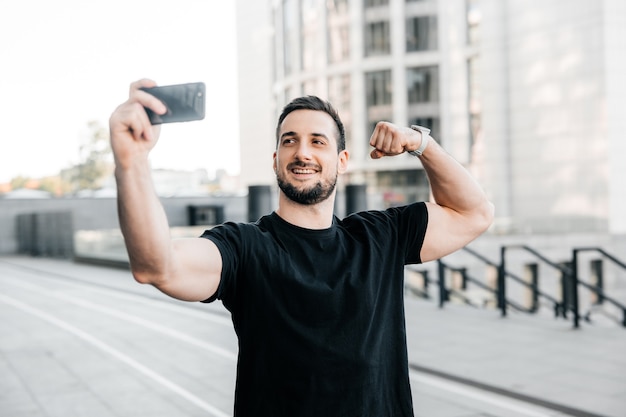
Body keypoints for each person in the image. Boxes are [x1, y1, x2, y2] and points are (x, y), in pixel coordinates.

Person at [109, 79, 494, 417]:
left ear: (341, 161)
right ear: (276, 161)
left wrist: (423, 144)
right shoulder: (245, 247)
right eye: (289, 141)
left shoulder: (380, 236)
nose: (302, 152)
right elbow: (158, 267)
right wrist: (131, 161)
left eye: (317, 142)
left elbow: (474, 213)